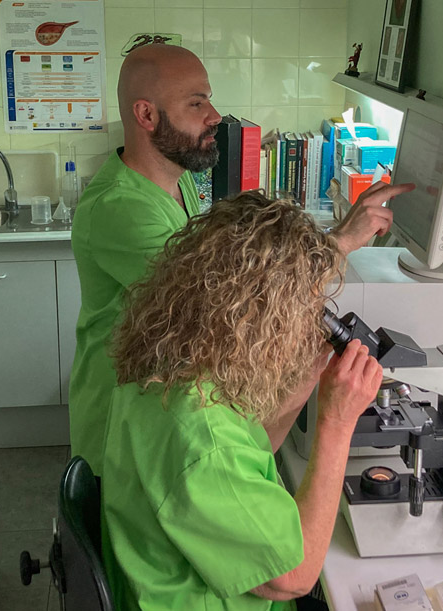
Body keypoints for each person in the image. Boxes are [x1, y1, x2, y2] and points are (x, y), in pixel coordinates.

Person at [68, 42, 414, 475]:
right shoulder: (120, 208)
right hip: (121, 437)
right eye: (196, 103)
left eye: (208, 99)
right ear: (146, 115)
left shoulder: (179, 182)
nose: (214, 116)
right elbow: (222, 294)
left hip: (163, 413)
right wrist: (340, 241)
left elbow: (224, 266)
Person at [101, 192, 382, 610]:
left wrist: (308, 377)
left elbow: (254, 448)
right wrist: (336, 422)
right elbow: (295, 575)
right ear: (256, 316)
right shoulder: (203, 437)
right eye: (302, 307)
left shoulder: (175, 368)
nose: (311, 318)